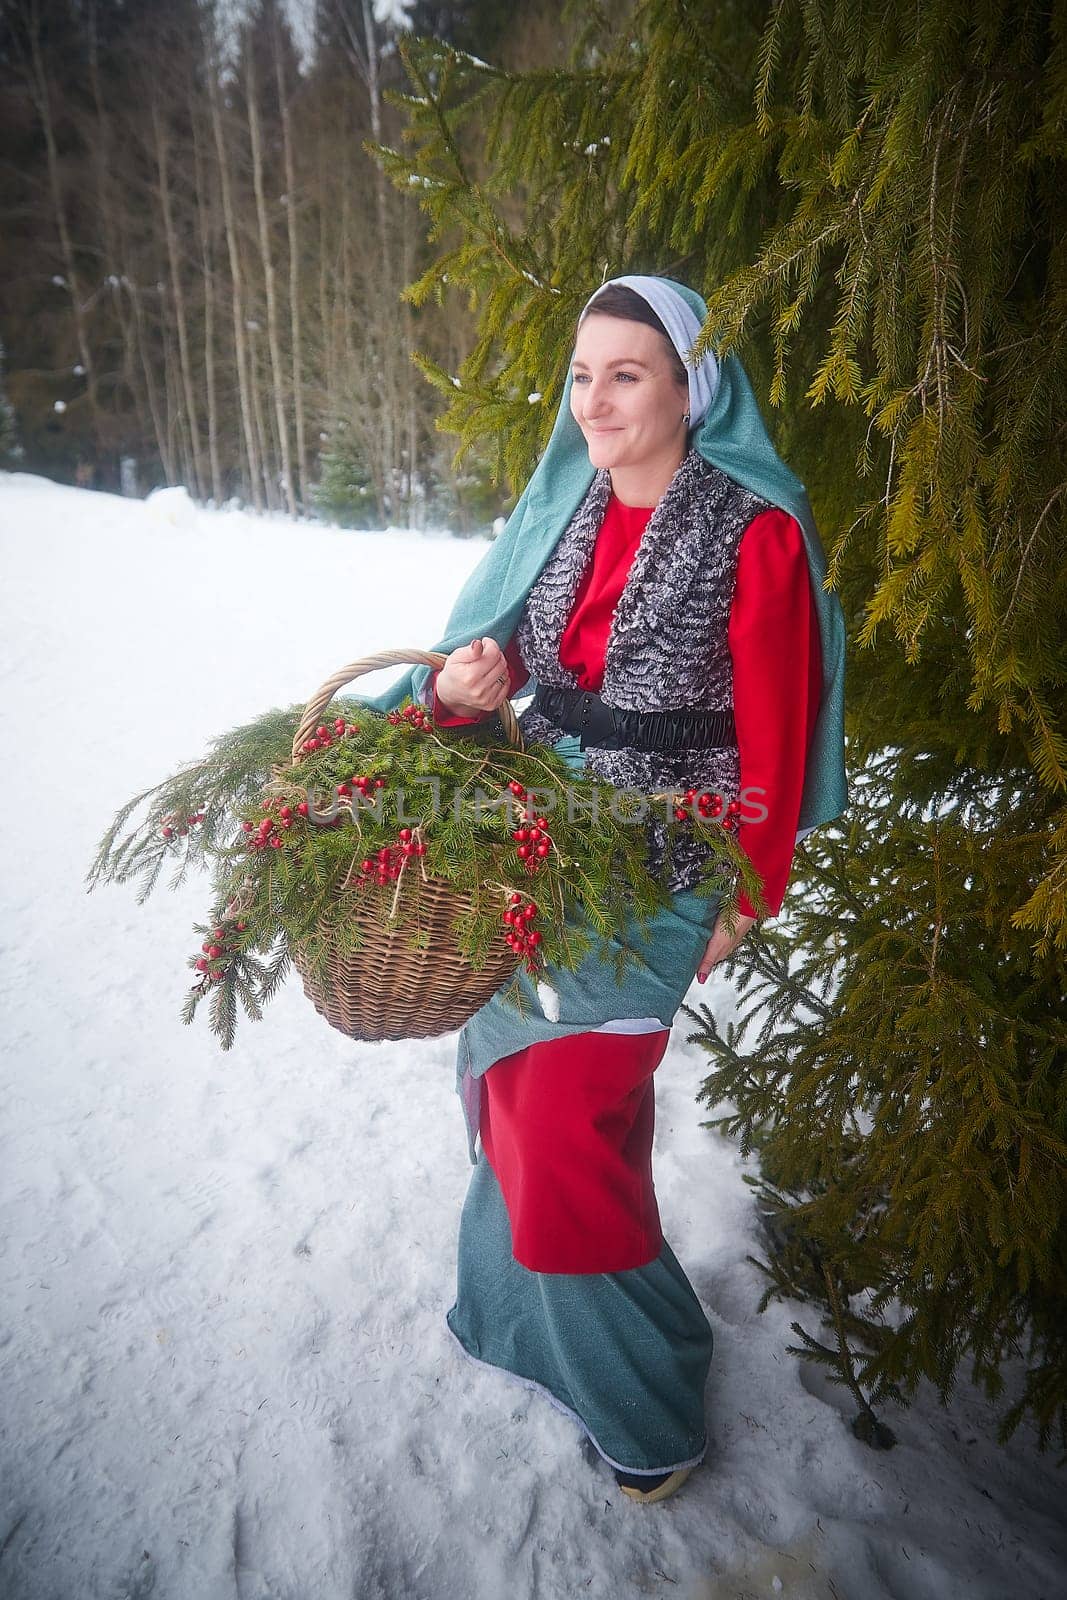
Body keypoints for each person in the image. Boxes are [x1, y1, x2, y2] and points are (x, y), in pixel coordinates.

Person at [359, 275, 848, 1505]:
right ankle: (524, 1321)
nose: (594, 401)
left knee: (568, 1109)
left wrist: (748, 885)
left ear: (694, 387)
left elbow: (774, 733)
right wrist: (470, 681)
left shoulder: (753, 527)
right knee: (524, 1080)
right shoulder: (568, 500)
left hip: (664, 851)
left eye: (625, 373)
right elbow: (507, 642)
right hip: (540, 823)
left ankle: (646, 1406)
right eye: (582, 375)